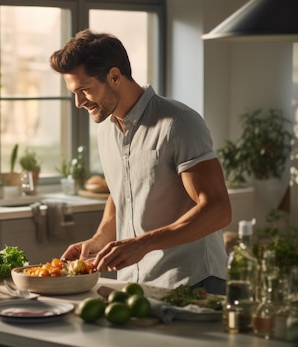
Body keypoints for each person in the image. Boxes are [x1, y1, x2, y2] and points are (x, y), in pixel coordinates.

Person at [51, 29, 231, 295]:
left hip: (193, 282)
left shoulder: (178, 122)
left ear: (114, 76)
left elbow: (217, 210)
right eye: (74, 93)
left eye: (85, 90)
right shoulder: (106, 130)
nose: (78, 103)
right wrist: (100, 239)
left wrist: (143, 243)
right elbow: (122, 192)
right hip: (134, 284)